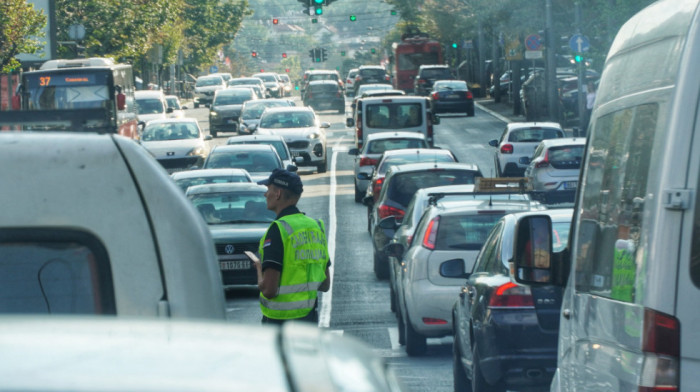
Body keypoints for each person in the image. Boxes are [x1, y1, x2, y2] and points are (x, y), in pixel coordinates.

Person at [245, 168, 331, 324]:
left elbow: (269, 291)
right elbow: (325, 284)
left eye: (268, 190)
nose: (265, 195)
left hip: (279, 323)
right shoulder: (316, 227)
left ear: (277, 194)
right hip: (309, 320)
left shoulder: (278, 230)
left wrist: (259, 269)